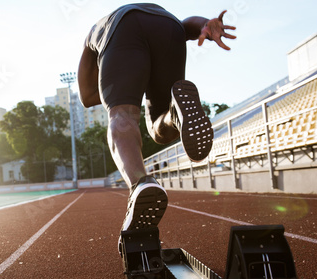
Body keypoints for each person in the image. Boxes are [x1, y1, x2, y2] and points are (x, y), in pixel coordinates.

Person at [77, 3, 236, 254]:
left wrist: (124, 88)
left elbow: (86, 96)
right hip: (169, 25)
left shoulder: (92, 38)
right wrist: (205, 25)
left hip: (123, 29)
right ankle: (175, 114)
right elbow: (185, 28)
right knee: (160, 129)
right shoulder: (156, 18)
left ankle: (140, 184)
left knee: (122, 115)